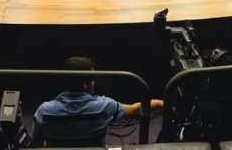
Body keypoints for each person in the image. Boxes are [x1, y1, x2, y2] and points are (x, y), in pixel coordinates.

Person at [33, 56, 163, 147]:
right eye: (92, 79)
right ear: (85, 84)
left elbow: (36, 144)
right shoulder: (104, 107)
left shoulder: (44, 111)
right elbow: (136, 109)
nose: (94, 82)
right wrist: (165, 103)